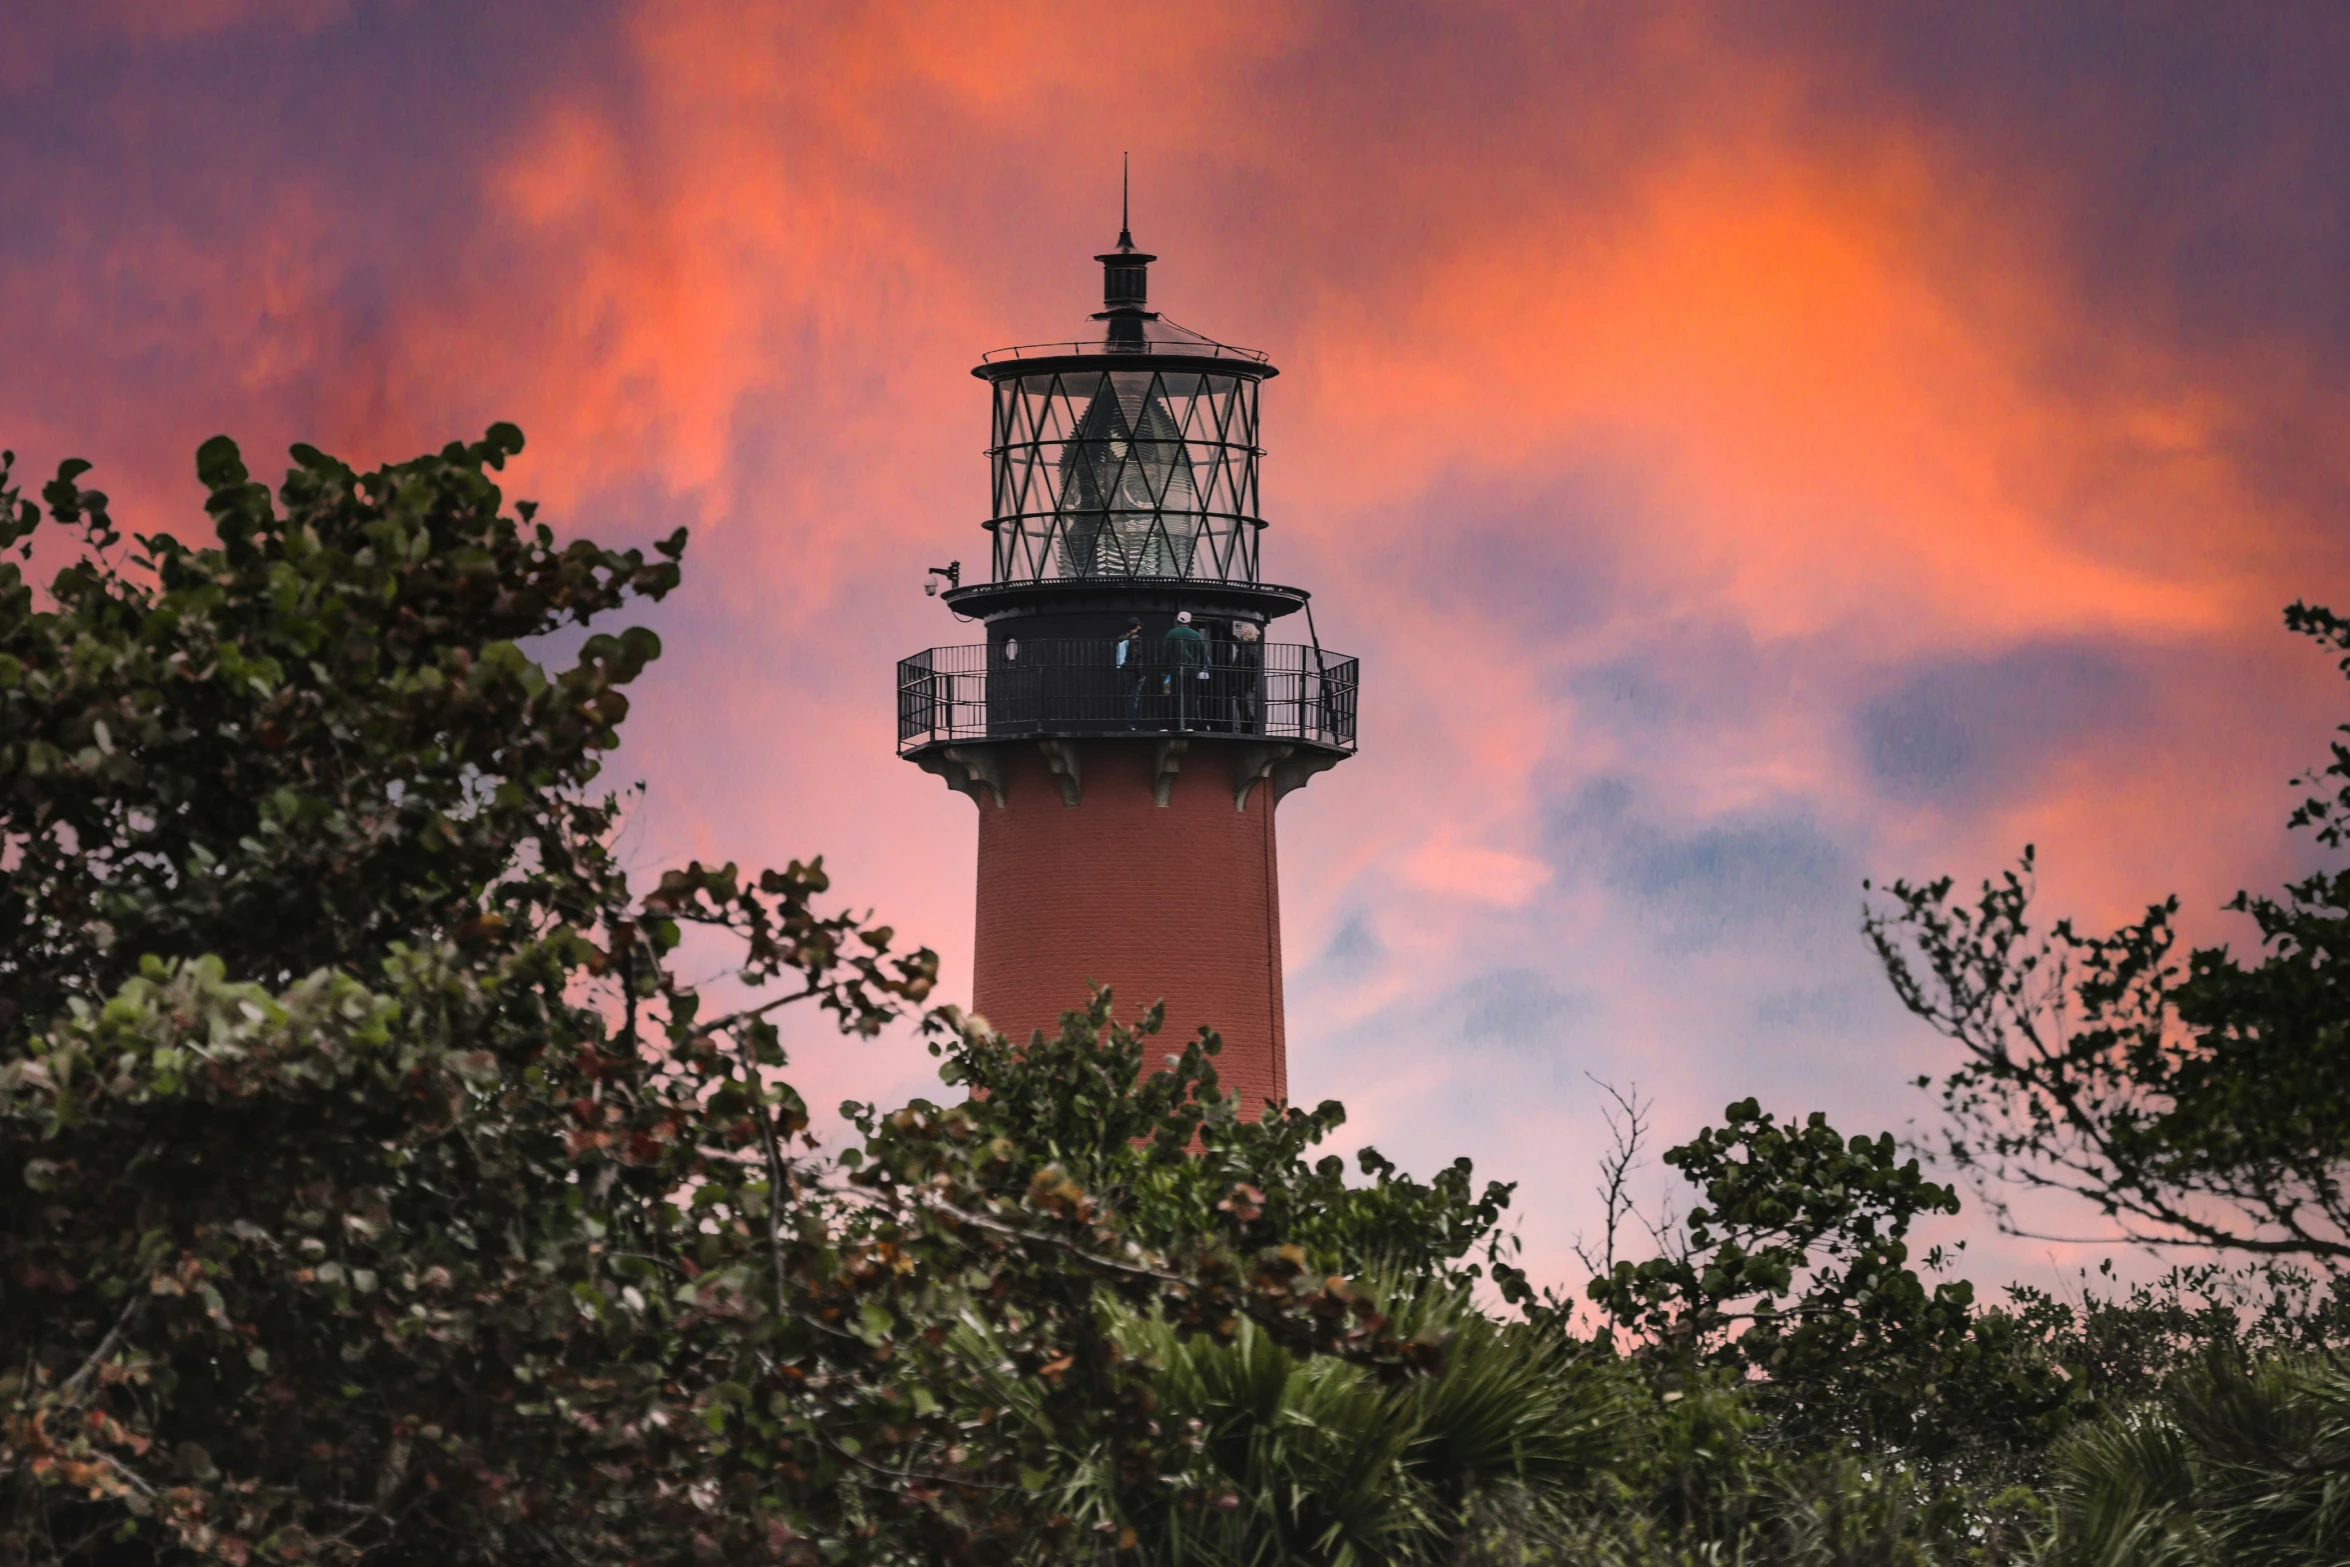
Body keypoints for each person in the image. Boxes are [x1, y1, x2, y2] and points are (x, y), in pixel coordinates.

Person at [1162, 610, 1207, 728]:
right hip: (1192, 672)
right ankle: (1189, 724)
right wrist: (1201, 668)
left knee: (1171, 696)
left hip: (1173, 671)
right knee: (1190, 698)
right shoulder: (1196, 635)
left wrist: (1164, 669)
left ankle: (1172, 724)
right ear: (1189, 621)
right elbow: (1203, 653)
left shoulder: (1171, 634)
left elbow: (1165, 652)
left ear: (1177, 620)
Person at [1228, 618, 1263, 734]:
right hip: (1244, 677)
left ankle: (1247, 722)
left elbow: (1250, 663)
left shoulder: (1248, 647)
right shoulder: (1249, 646)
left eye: (1243, 631)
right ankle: (1247, 723)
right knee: (1241, 701)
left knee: (1242, 701)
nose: (1241, 632)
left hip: (1243, 678)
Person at [1115, 616, 1146, 728]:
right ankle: (1132, 724)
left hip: (1124, 670)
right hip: (1134, 672)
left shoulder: (1122, 638)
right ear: (1137, 626)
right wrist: (1140, 675)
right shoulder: (1135, 638)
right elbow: (1137, 658)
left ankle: (1129, 723)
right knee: (1135, 698)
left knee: (1128, 697)